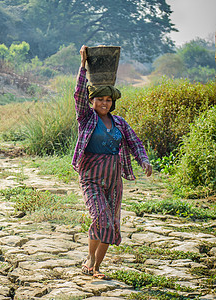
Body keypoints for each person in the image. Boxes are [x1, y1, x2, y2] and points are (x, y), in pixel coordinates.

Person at [72, 45, 152, 279]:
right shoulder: (86, 118)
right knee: (101, 218)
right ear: (92, 100)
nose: (105, 103)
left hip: (114, 180)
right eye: (100, 99)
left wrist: (144, 160)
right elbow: (78, 94)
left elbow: (135, 142)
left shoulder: (119, 123)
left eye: (108, 99)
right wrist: (83, 65)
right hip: (91, 179)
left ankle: (95, 267)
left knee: (111, 224)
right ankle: (90, 258)